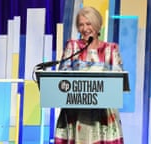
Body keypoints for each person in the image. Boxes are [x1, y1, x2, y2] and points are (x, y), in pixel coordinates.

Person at [54, 6, 124, 144]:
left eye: (88, 24)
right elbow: (63, 74)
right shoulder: (72, 47)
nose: (85, 28)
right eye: (81, 25)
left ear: (97, 25)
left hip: (103, 114)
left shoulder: (111, 49)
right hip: (76, 112)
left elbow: (118, 78)